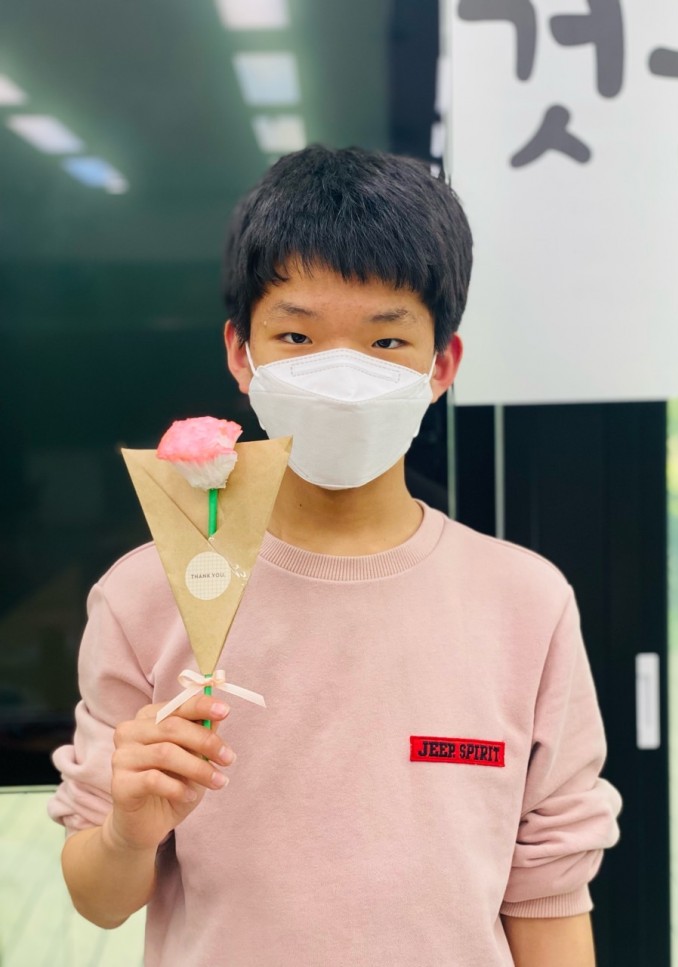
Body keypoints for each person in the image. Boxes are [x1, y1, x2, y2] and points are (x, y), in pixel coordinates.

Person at [49, 145, 621, 967]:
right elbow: (97, 899)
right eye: (296, 335)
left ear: (441, 364)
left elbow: (549, 895)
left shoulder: (525, 602)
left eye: (385, 340)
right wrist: (126, 832)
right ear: (240, 353)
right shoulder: (148, 591)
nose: (341, 376)